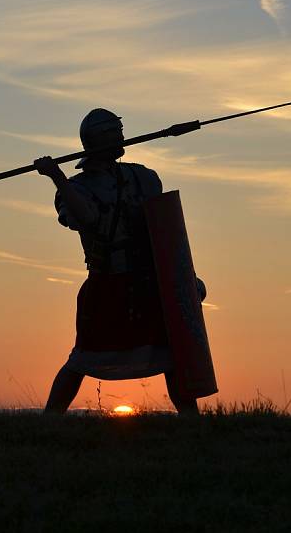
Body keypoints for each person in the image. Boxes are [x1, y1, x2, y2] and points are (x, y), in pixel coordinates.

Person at [34, 108, 205, 415]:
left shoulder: (144, 177)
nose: (121, 138)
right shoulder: (78, 188)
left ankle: (192, 421)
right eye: (114, 134)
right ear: (98, 140)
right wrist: (58, 178)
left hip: (147, 281)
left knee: (171, 354)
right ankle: (50, 419)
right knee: (83, 358)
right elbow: (86, 219)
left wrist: (185, 278)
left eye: (120, 132)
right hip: (108, 283)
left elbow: (164, 231)